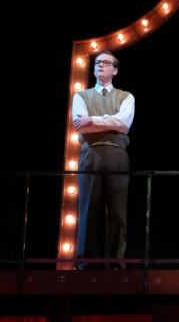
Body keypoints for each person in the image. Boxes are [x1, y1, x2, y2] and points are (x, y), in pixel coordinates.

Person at [72, 50, 135, 269]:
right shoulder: (81, 95)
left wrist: (93, 120)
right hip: (91, 153)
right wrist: (108, 122)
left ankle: (115, 262)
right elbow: (80, 124)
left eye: (106, 63)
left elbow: (124, 124)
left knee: (117, 210)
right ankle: (86, 261)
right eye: (98, 62)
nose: (100, 65)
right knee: (89, 208)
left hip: (117, 153)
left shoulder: (126, 96)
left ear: (114, 70)